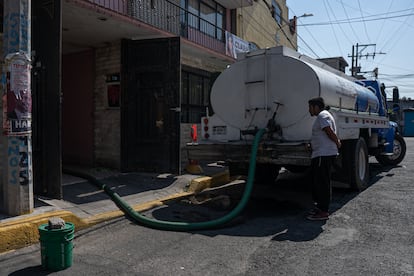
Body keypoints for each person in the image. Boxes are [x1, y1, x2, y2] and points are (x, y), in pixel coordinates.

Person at [307, 97, 341, 220]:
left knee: (322, 183)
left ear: (316, 107)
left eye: (310, 107)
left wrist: (337, 142)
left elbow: (328, 130)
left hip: (323, 154)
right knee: (318, 181)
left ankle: (323, 211)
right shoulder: (323, 116)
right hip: (320, 154)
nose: (309, 110)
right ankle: (319, 208)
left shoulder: (322, 115)